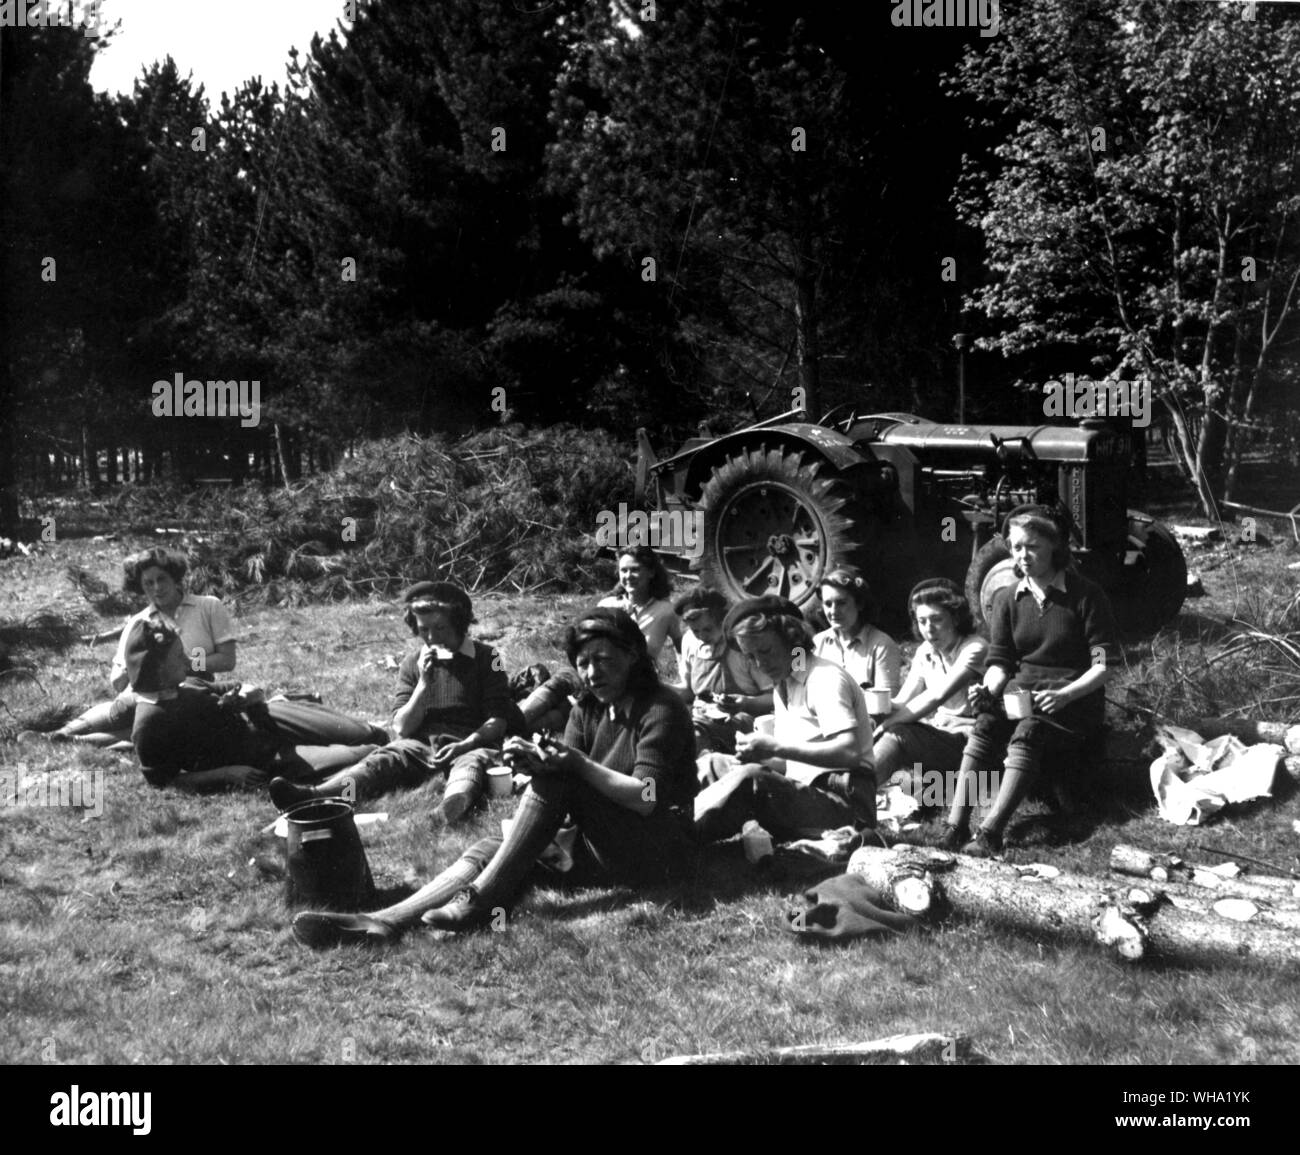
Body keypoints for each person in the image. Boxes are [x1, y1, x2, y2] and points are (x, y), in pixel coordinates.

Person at [290, 607, 699, 947]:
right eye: (583, 664)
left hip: (657, 851)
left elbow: (646, 797)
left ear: (632, 656)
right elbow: (569, 773)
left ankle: (480, 902)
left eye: (604, 660)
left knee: (561, 778)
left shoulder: (660, 708)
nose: (592, 673)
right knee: (493, 846)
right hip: (602, 842)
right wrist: (534, 766)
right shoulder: (587, 709)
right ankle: (385, 920)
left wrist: (568, 764)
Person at [939, 506, 1119, 857]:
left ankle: (990, 832)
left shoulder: (1086, 596)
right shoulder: (1007, 598)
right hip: (1021, 693)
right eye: (1017, 547)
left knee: (1030, 729)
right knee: (986, 723)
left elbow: (1104, 666)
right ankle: (955, 825)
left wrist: (1066, 694)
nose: (1023, 556)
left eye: (1032, 547)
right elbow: (1000, 662)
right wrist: (986, 690)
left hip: (1074, 700)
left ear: (1054, 547)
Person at [268, 582, 522, 824]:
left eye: (441, 628)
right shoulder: (413, 663)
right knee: (379, 762)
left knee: (470, 764)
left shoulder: (489, 657)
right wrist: (423, 684)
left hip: (470, 743)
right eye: (424, 630)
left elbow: (497, 721)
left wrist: (464, 745)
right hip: (421, 746)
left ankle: (451, 807)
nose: (432, 637)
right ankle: (314, 796)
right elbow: (401, 729)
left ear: (459, 623)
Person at [123, 616, 387, 791]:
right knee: (369, 752)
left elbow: (247, 688)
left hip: (269, 717)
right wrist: (227, 773)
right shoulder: (149, 722)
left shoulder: (188, 685)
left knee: (375, 734)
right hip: (261, 756)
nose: (186, 660)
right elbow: (165, 782)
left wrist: (244, 696)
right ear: (156, 668)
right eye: (177, 656)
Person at [694, 596, 875, 845]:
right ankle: (657, 811)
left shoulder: (824, 680)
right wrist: (761, 754)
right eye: (751, 656)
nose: (760, 664)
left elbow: (849, 752)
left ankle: (679, 834)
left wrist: (775, 748)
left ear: (793, 638)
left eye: (766, 651)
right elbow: (791, 764)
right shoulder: (787, 679)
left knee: (751, 777)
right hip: (806, 792)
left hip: (845, 806)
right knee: (714, 762)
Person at [36, 548, 237, 745]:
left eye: (162, 579)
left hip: (193, 690)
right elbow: (118, 680)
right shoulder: (139, 622)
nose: (157, 588)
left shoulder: (208, 607)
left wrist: (187, 664)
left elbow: (227, 660)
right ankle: (62, 733)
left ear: (175, 577)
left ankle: (73, 739)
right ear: (140, 587)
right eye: (148, 583)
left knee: (157, 723)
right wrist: (133, 672)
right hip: (143, 694)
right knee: (136, 705)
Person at [872, 579, 988, 790]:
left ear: (955, 618)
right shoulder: (926, 651)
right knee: (886, 728)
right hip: (942, 734)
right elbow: (903, 701)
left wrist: (888, 724)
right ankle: (852, 787)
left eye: (936, 619)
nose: (928, 629)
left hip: (972, 740)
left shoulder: (975, 647)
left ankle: (854, 795)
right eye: (922, 621)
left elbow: (937, 695)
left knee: (899, 734)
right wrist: (872, 705)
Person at [673, 587, 772, 755]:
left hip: (741, 718)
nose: (701, 636)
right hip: (700, 715)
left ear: (722, 621)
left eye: (708, 629)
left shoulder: (741, 645)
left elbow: (775, 697)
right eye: (695, 630)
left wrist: (746, 702)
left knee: (693, 737)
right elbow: (688, 691)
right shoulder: (690, 641)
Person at [812, 565, 901, 695]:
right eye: (828, 604)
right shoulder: (815, 643)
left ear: (859, 603)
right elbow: (798, 687)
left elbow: (885, 703)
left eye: (841, 603)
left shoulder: (882, 645)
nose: (833, 611)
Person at [599, 545, 682, 664]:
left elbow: (682, 648)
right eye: (624, 570)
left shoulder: (666, 611)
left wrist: (687, 678)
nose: (628, 576)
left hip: (644, 680)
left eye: (635, 570)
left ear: (651, 572)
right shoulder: (606, 606)